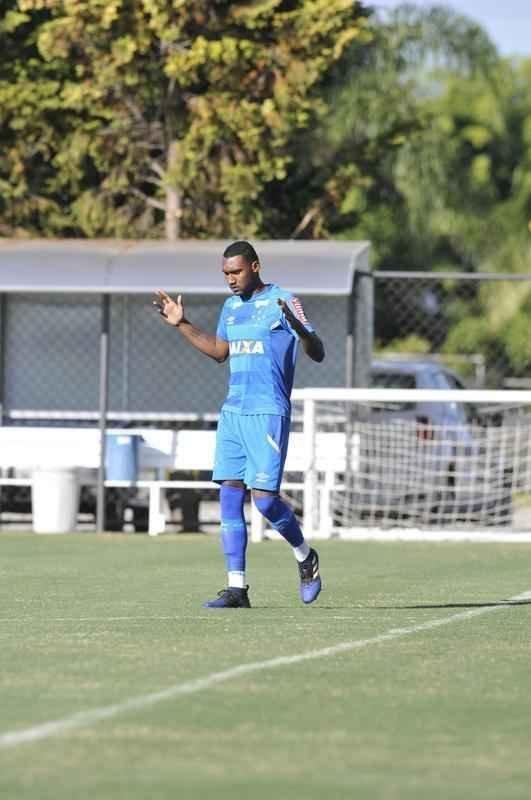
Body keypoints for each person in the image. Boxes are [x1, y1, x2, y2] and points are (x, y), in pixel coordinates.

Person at [154, 240, 325, 608]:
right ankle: (236, 589)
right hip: (233, 412)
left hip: (267, 411)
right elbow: (220, 352)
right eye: (226, 274)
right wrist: (181, 323)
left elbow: (318, 352)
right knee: (229, 496)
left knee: (264, 501)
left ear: (255, 266)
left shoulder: (283, 301)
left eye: (236, 272)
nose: (231, 279)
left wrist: (302, 331)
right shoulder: (230, 307)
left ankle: (305, 556)